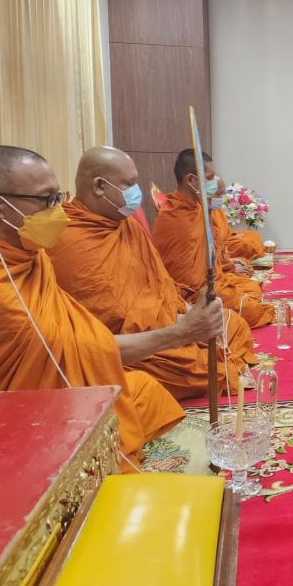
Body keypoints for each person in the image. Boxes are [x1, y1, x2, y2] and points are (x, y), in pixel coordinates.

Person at [0, 146, 185, 461]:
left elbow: (71, 333)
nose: (59, 211)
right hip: (8, 420)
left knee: (142, 390)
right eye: (47, 200)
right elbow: (76, 347)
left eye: (59, 197)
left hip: (53, 389)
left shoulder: (31, 254)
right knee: (119, 414)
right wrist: (178, 334)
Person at [49, 146, 259, 400]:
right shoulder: (66, 240)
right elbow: (107, 322)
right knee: (205, 367)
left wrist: (186, 313)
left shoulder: (126, 225)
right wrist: (180, 329)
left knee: (233, 324)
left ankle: (210, 351)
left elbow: (161, 282)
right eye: (129, 184)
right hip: (140, 344)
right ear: (99, 186)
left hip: (170, 320)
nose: (136, 191)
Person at [152, 150, 274, 328]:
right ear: (191, 180)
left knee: (251, 290)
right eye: (209, 178)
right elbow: (186, 280)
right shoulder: (175, 216)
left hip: (215, 279)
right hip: (193, 294)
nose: (214, 183)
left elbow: (213, 250)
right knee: (251, 311)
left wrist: (227, 267)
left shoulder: (198, 207)